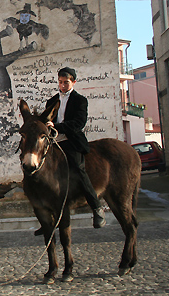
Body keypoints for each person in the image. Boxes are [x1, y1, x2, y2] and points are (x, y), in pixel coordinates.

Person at [45, 67, 106, 229]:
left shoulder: (80, 100)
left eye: (66, 82)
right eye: (60, 82)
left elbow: (79, 124)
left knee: (79, 171)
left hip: (71, 143)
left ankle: (97, 208)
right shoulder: (51, 101)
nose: (62, 85)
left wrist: (57, 126)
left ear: (73, 82)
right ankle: (46, 217)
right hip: (54, 144)